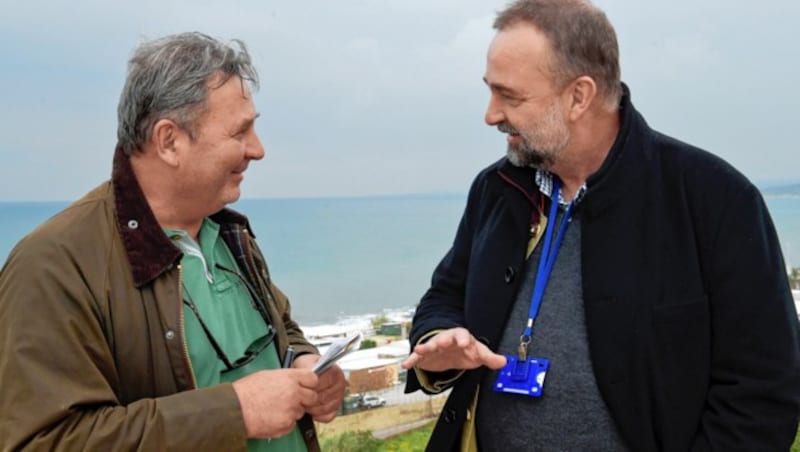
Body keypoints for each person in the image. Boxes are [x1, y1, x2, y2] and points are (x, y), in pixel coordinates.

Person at [401, 0, 800, 450]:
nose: (490, 114)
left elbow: (763, 395)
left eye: (509, 96)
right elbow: (444, 295)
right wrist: (440, 340)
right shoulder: (496, 188)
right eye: (490, 91)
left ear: (579, 96)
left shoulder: (716, 199)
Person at [0, 32, 346, 451]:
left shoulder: (227, 234)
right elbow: (45, 441)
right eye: (240, 132)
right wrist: (233, 412)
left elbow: (279, 329)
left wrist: (304, 362)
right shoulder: (51, 265)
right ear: (169, 141)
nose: (258, 150)